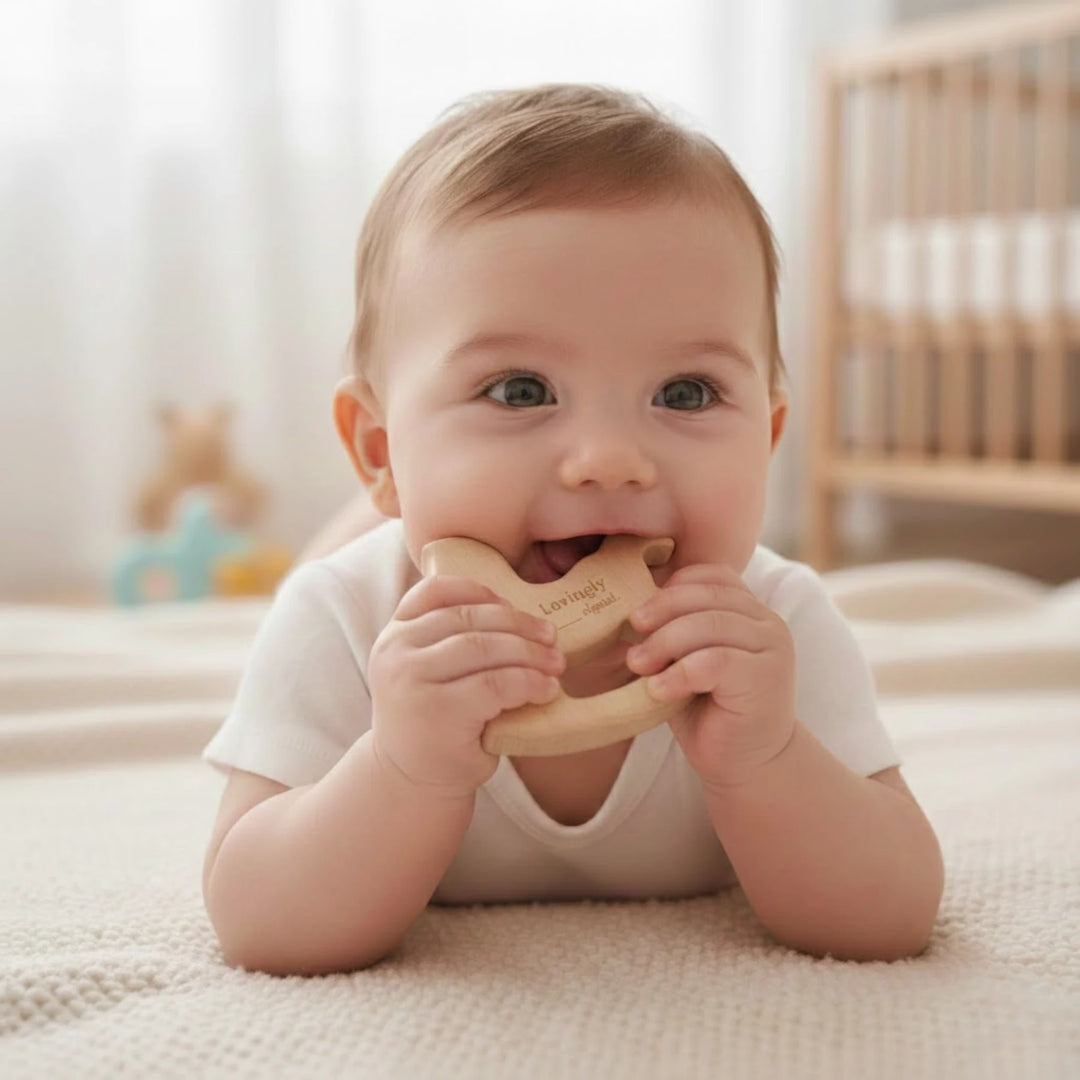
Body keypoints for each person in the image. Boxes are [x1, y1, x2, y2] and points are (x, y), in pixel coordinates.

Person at [201, 83, 944, 977]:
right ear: (381, 447)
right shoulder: (348, 623)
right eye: (520, 390)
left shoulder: (772, 628)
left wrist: (771, 757)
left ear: (769, 439)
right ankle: (368, 516)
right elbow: (258, 926)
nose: (608, 460)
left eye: (686, 394)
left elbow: (893, 919)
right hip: (374, 562)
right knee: (330, 566)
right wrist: (401, 768)